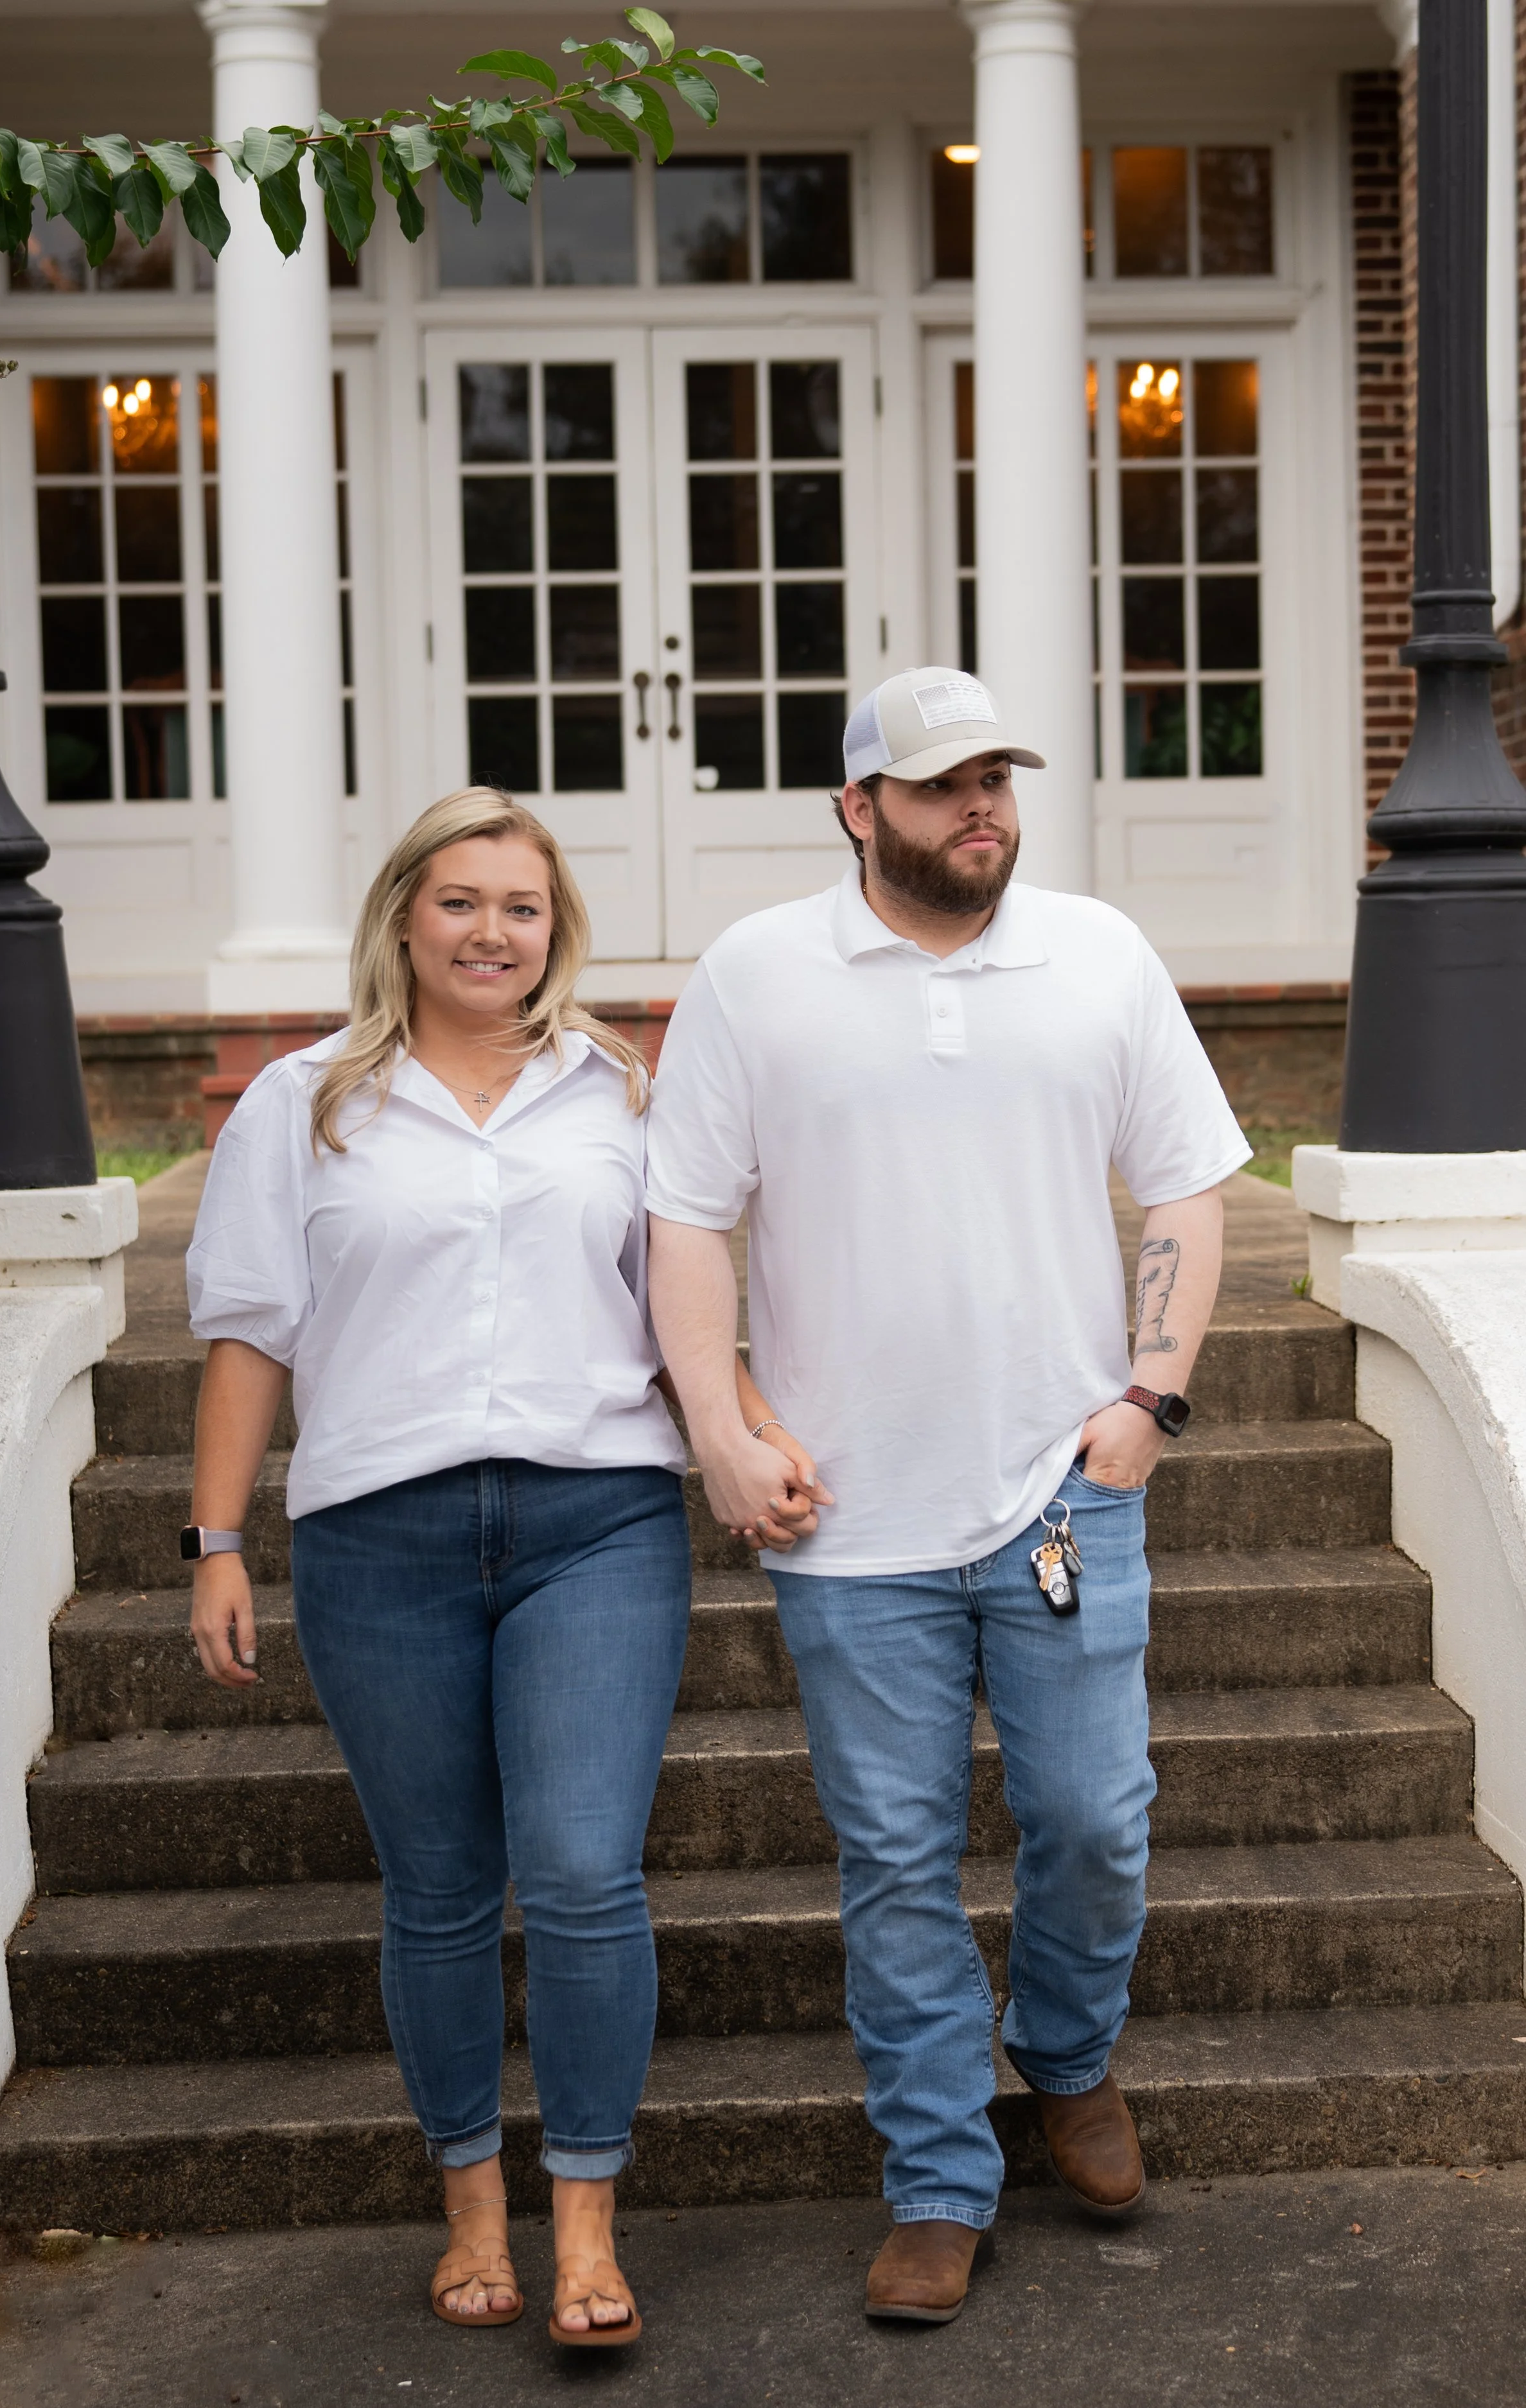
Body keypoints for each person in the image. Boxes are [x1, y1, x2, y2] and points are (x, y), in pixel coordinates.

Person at [645, 668, 1250, 2323]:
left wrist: (1145, 1402)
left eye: (994, 777)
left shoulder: (1096, 955)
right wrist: (719, 1424)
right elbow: (684, 1219)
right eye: (937, 785)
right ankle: (934, 2173)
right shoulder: (756, 978)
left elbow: (1190, 1184)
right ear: (856, 809)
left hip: (1060, 1493)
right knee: (896, 1858)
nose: (978, 806)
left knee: (1092, 1821)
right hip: (843, 1521)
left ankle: (1062, 2057)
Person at [183, 789, 817, 2346]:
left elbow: (674, 1300)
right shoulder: (304, 1102)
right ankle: (473, 2209)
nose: (491, 932)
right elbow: (250, 1330)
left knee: (588, 1874)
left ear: (556, 930)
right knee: (444, 1891)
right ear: (404, 915)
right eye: (460, 901)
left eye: (520, 907)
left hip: (591, 1520)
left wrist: (743, 1427)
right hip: (373, 1539)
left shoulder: (618, 1092)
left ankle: (587, 2225)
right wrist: (213, 1541)